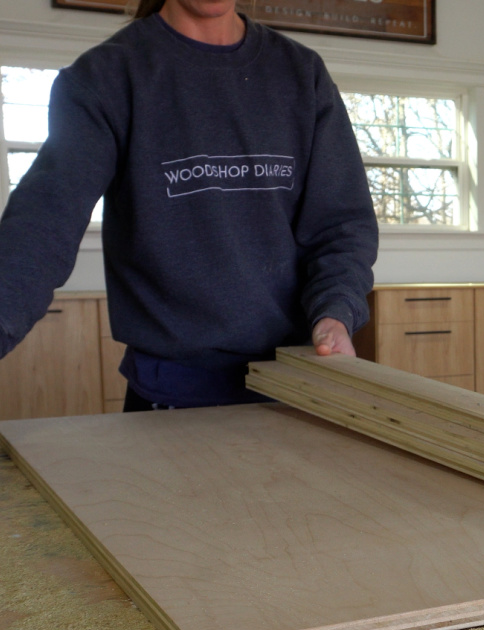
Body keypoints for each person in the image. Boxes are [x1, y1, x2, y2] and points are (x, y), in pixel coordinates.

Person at [0, 0, 378, 410]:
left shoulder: (303, 75)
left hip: (294, 387)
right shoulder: (107, 77)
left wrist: (335, 314)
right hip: (171, 397)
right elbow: (42, 224)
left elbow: (342, 228)